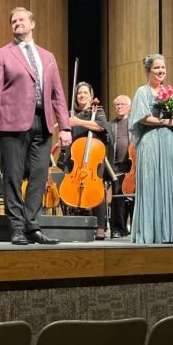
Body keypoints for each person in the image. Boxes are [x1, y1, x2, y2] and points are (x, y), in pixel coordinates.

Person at [0, 7, 71, 245]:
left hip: (43, 123)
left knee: (39, 176)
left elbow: (57, 94)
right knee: (12, 176)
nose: (17, 23)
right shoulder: (1, 54)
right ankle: (17, 227)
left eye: (22, 19)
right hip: (12, 123)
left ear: (32, 24)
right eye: (13, 21)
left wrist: (65, 127)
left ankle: (33, 226)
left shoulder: (48, 56)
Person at [129, 54, 173, 244]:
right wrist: (167, 121)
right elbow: (141, 117)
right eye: (156, 68)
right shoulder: (143, 91)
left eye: (163, 67)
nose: (161, 71)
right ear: (148, 70)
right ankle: (150, 233)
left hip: (167, 141)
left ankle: (172, 232)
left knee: (170, 182)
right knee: (150, 184)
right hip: (150, 141)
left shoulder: (169, 92)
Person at [63, 82, 110, 240]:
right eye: (79, 93)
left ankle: (101, 227)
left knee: (97, 190)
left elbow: (102, 126)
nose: (82, 95)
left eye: (85, 93)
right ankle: (80, 222)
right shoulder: (72, 114)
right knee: (73, 187)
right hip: (76, 156)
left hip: (93, 156)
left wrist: (79, 122)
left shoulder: (97, 110)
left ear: (91, 95)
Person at [108, 95, 133, 237]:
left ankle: (135, 227)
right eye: (117, 104)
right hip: (116, 168)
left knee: (133, 198)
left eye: (123, 104)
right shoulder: (111, 124)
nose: (119, 107)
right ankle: (118, 229)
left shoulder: (134, 123)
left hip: (132, 168)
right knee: (117, 199)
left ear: (129, 107)